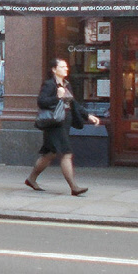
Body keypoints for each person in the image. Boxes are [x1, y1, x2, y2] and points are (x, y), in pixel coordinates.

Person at [25, 58, 100, 195]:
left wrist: (87, 115)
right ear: (54, 69)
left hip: (63, 122)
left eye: (66, 67)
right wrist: (57, 97)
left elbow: (73, 103)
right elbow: (41, 102)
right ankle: (74, 187)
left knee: (49, 154)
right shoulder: (49, 85)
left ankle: (31, 178)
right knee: (66, 153)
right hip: (53, 124)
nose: (66, 69)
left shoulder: (66, 85)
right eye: (62, 67)